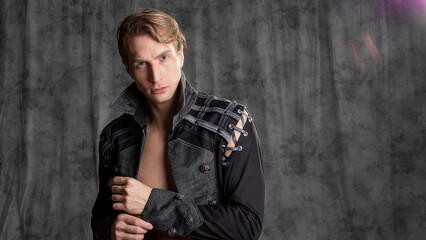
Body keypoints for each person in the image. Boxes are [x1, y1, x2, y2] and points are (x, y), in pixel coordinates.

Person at [91, 8, 265, 240]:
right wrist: (111, 231)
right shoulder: (115, 137)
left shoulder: (230, 123)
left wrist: (152, 202)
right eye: (142, 64)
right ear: (128, 68)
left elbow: (247, 225)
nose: (156, 76)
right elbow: (101, 220)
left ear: (180, 54)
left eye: (164, 57)